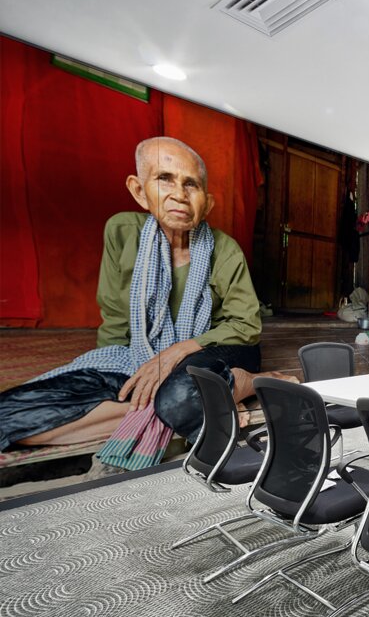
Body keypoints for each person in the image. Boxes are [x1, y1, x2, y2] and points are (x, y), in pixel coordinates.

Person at [0, 137, 278, 459]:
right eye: (164, 179)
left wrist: (176, 352)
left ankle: (252, 381)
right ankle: (206, 401)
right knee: (8, 414)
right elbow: (116, 318)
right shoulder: (122, 232)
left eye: (191, 185)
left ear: (208, 203)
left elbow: (245, 325)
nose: (179, 194)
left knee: (179, 395)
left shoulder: (224, 248)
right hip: (140, 353)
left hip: (216, 348)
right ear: (138, 191)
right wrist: (108, 375)